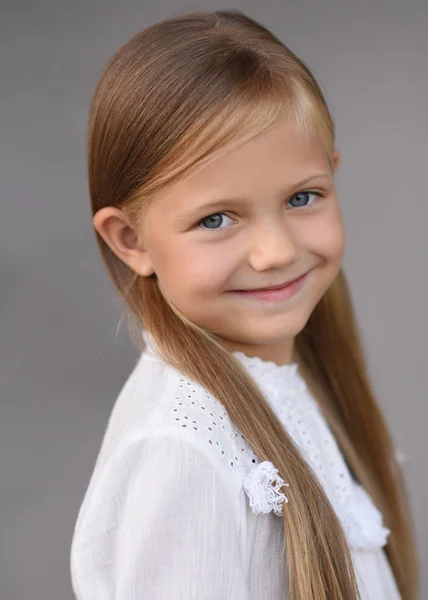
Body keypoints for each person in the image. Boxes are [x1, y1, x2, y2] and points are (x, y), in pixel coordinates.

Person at [69, 9, 419, 600]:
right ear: (131, 241)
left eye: (302, 197)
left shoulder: (289, 391)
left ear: (333, 176)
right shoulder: (184, 449)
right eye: (216, 218)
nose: (275, 252)